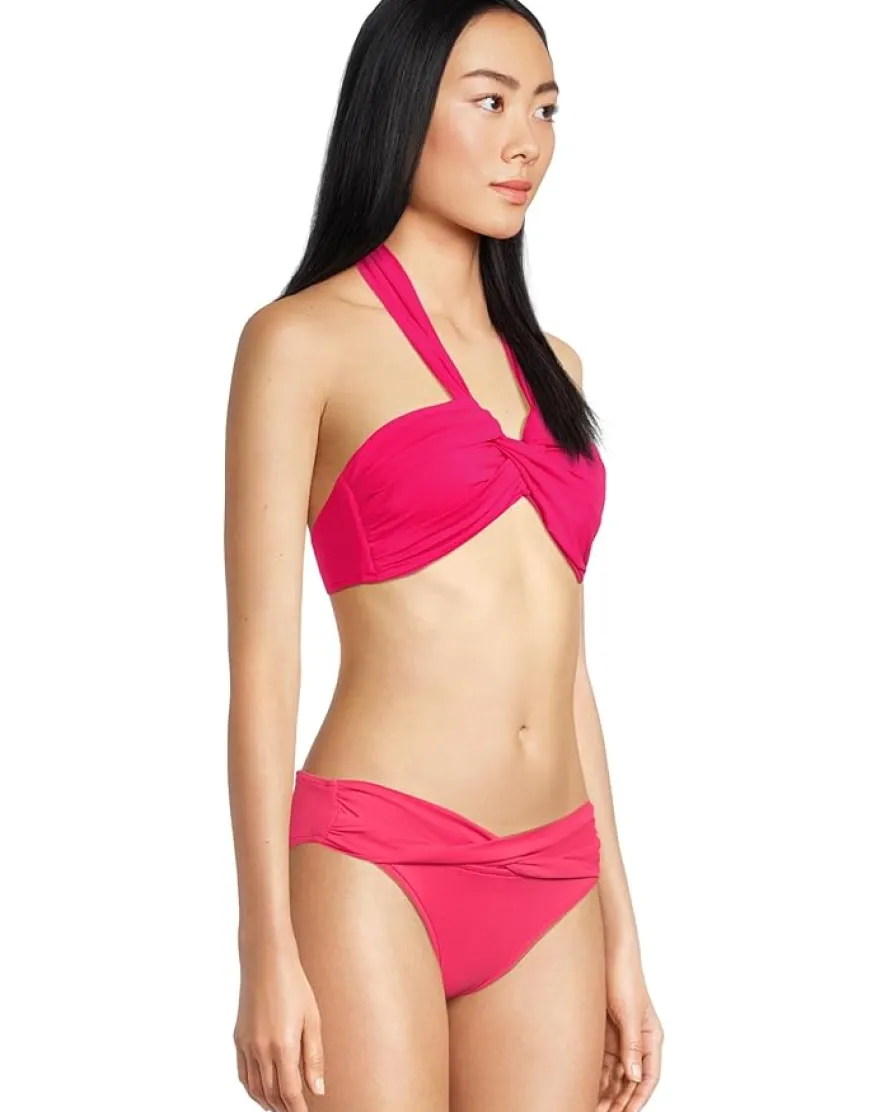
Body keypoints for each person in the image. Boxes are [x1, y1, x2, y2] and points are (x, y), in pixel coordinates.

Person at [224, 2, 663, 1110]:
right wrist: (264, 945)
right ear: (398, 108)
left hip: (554, 874)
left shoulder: (554, 364)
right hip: (378, 858)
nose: (526, 142)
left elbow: (565, 668)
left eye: (545, 109)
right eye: (489, 101)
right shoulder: (299, 341)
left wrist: (622, 931)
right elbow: (262, 669)